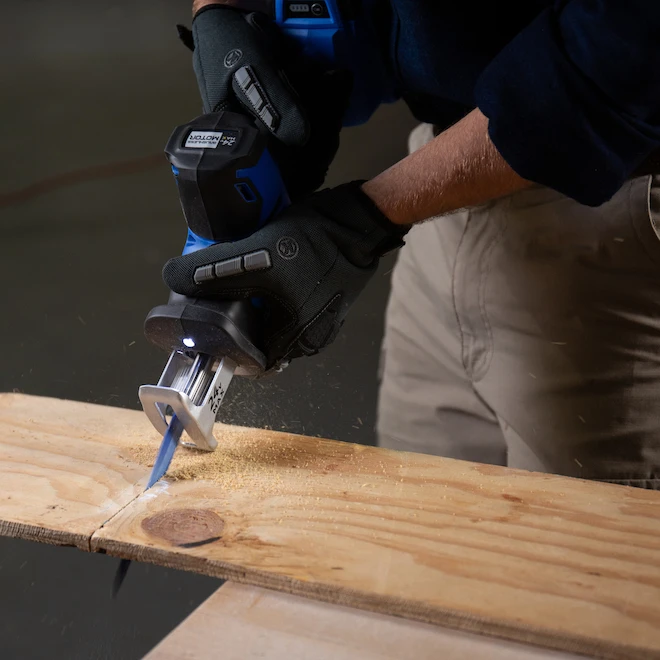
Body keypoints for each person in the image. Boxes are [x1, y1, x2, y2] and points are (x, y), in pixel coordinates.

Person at [165, 0, 660, 489]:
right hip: (440, 178)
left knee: (580, 529)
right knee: (411, 506)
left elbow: (613, 59)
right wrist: (220, 12)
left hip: (606, 216)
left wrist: (361, 222)